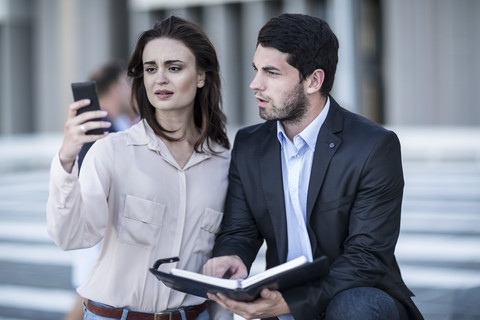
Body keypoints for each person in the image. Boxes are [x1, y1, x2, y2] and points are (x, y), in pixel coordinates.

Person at [203, 13, 424, 320]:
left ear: (313, 80)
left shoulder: (373, 146)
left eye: (272, 73)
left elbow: (366, 258)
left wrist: (291, 302)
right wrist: (231, 257)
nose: (255, 84)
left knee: (355, 307)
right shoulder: (250, 144)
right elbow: (240, 229)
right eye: (256, 70)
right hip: (278, 297)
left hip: (355, 297)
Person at [47, 15, 232, 320]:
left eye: (174, 68)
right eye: (150, 68)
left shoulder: (223, 162)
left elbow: (220, 263)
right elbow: (72, 237)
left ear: (201, 76)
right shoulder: (112, 152)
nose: (160, 78)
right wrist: (66, 160)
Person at [64, 60, 137, 320]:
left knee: (85, 300)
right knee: (85, 301)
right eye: (127, 83)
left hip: (99, 227)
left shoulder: (117, 122)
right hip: (99, 229)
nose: (131, 89)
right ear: (116, 86)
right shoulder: (102, 125)